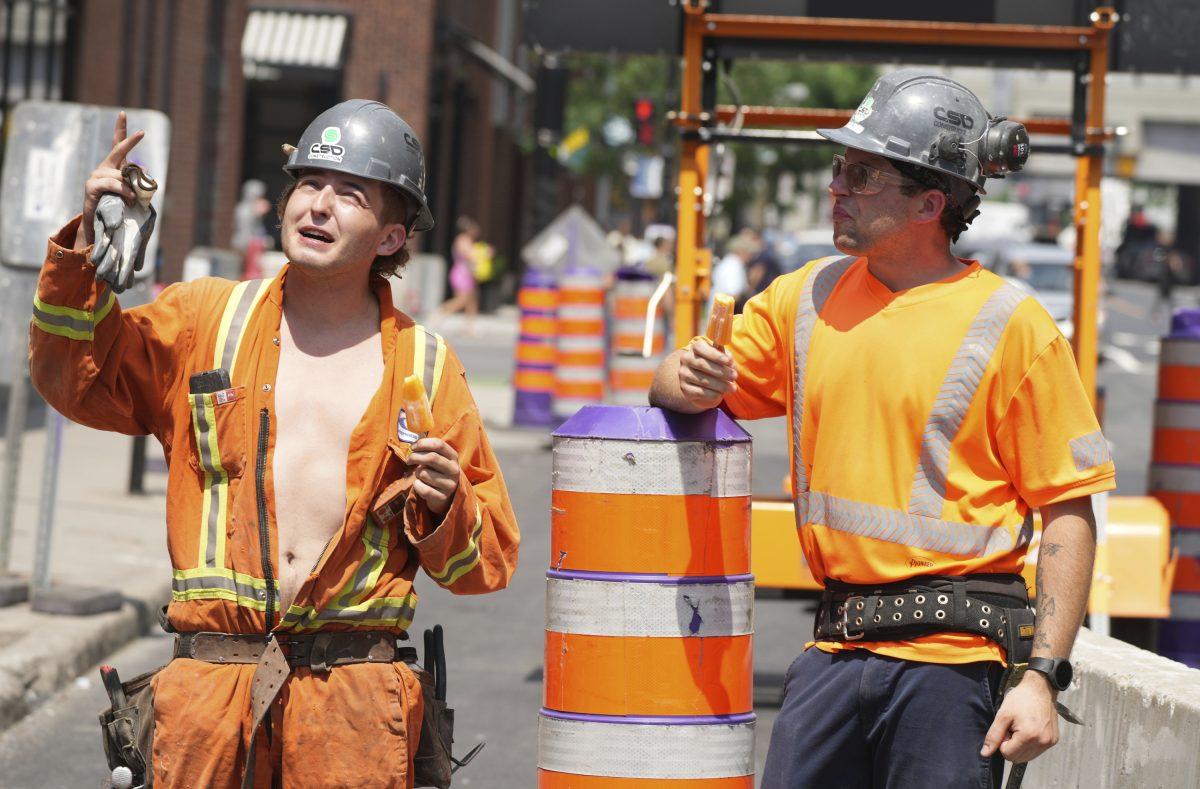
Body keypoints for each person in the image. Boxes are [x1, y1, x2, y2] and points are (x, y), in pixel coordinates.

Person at [29, 102, 520, 787]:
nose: (318, 205)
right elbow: (75, 379)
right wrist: (85, 249)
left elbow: (487, 562)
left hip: (351, 715)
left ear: (390, 236)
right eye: (309, 184)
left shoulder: (425, 370)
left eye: (349, 194)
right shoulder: (206, 318)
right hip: (208, 703)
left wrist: (447, 508)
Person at [650, 70, 1115, 788]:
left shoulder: (1012, 327)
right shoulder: (807, 297)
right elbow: (673, 381)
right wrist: (686, 378)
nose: (838, 185)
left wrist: (1043, 677)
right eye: (840, 167)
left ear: (931, 201)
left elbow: (1068, 512)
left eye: (862, 173)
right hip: (836, 650)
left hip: (953, 670)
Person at [436, 216, 486, 331]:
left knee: (472, 300)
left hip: (468, 274)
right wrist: (483, 252)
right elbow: (470, 255)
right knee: (462, 300)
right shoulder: (462, 240)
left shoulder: (469, 241)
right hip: (461, 273)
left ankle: (470, 326)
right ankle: (440, 312)